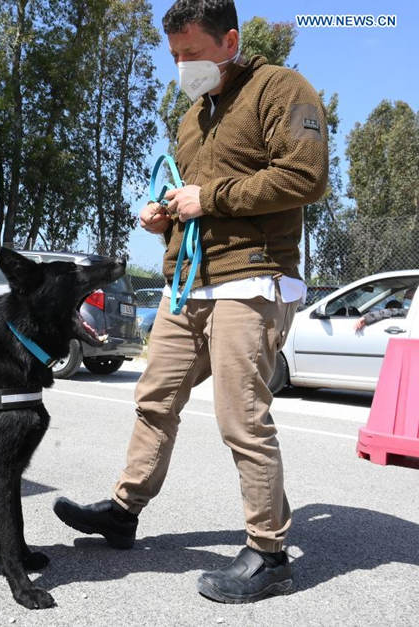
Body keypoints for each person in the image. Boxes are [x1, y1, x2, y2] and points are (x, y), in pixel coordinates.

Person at [53, 0, 328, 604]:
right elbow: (193, 200)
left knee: (241, 418)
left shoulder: (281, 89)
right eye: (175, 56)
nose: (182, 66)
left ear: (230, 40)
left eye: (192, 53)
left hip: (250, 281)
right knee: (154, 398)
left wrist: (212, 197)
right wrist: (164, 218)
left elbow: (306, 177)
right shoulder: (190, 117)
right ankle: (123, 512)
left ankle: (269, 552)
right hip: (188, 284)